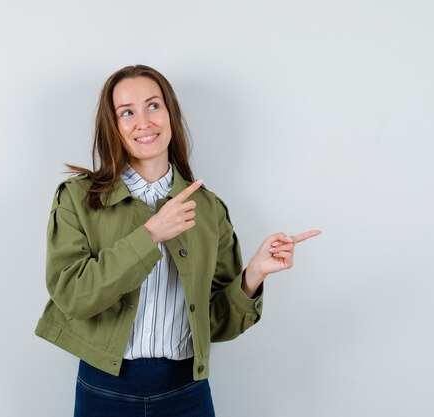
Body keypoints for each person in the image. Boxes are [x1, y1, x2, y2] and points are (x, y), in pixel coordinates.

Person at [34, 64, 321, 416]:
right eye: (127, 112)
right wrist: (150, 235)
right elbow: (72, 298)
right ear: (113, 126)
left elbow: (216, 324)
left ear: (170, 113)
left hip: (186, 392)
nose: (144, 122)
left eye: (153, 105)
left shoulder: (209, 208)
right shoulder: (77, 199)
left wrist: (253, 276)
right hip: (105, 391)